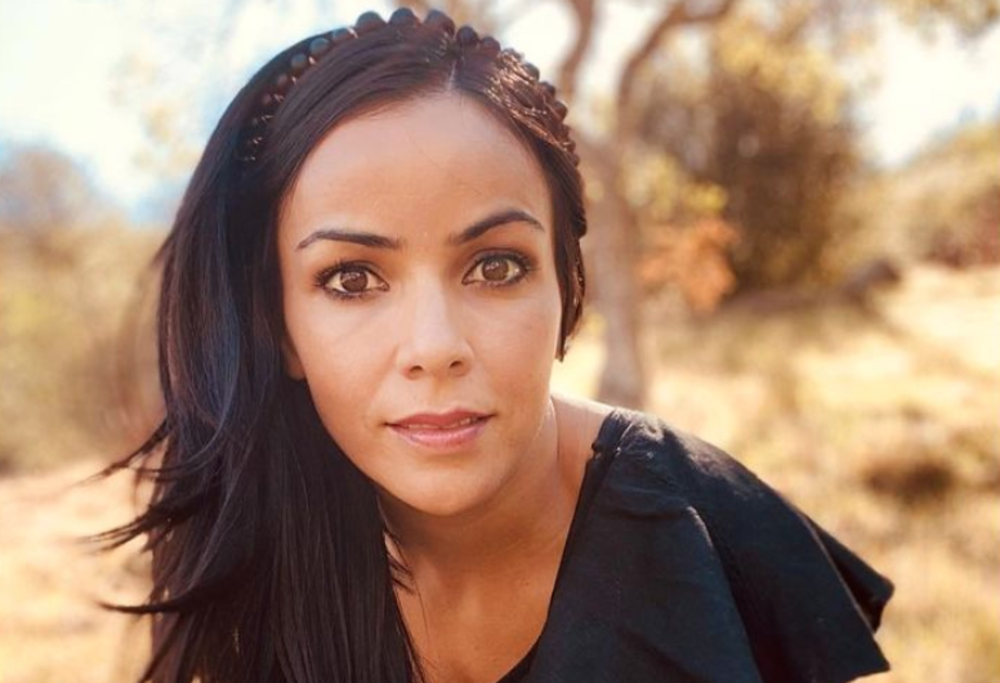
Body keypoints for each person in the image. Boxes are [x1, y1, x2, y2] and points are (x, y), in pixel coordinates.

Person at [97, 8, 892, 683]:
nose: (434, 346)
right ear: (281, 330)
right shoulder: (248, 556)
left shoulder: (702, 534)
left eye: (496, 266)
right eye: (352, 279)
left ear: (566, 289)